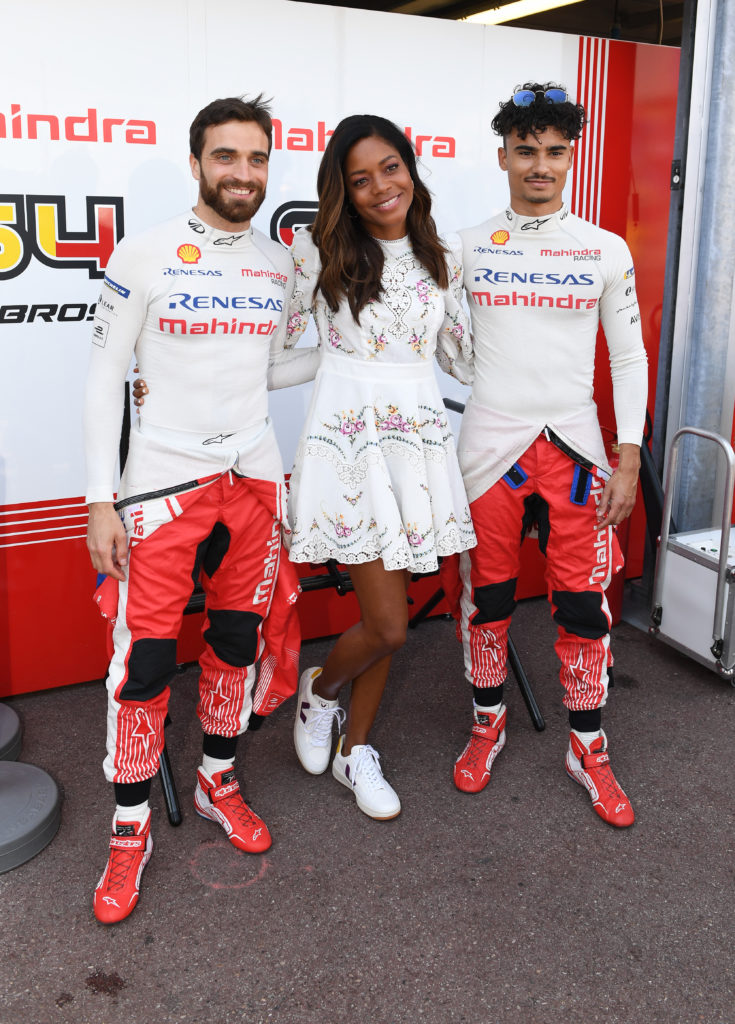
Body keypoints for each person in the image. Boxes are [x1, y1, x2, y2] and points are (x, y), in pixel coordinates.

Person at [84, 96, 303, 925]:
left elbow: (268, 369)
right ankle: (129, 827)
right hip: (160, 485)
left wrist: (365, 351)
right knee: (142, 663)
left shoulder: (278, 265)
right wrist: (100, 499)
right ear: (195, 161)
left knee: (236, 642)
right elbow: (105, 381)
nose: (242, 173)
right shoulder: (143, 252)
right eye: (225, 157)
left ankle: (217, 777)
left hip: (252, 475)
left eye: (255, 158)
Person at [450, 83, 647, 827]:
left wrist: (627, 458)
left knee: (580, 605)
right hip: (489, 447)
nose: (540, 165)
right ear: (500, 155)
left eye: (554, 151)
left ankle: (586, 744)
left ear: (571, 155)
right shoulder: (465, 245)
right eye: (525, 150)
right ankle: (485, 723)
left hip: (575, 451)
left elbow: (627, 360)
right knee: (488, 599)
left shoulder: (603, 249)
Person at [280, 115, 476, 820]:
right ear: (343, 190)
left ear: (410, 169)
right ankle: (319, 693)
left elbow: (463, 359)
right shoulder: (317, 252)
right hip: (346, 445)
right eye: (359, 179)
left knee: (383, 606)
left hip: (415, 442)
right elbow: (272, 356)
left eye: (389, 168)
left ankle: (353, 749)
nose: (378, 187)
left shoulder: (442, 258)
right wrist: (341, 364)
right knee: (389, 624)